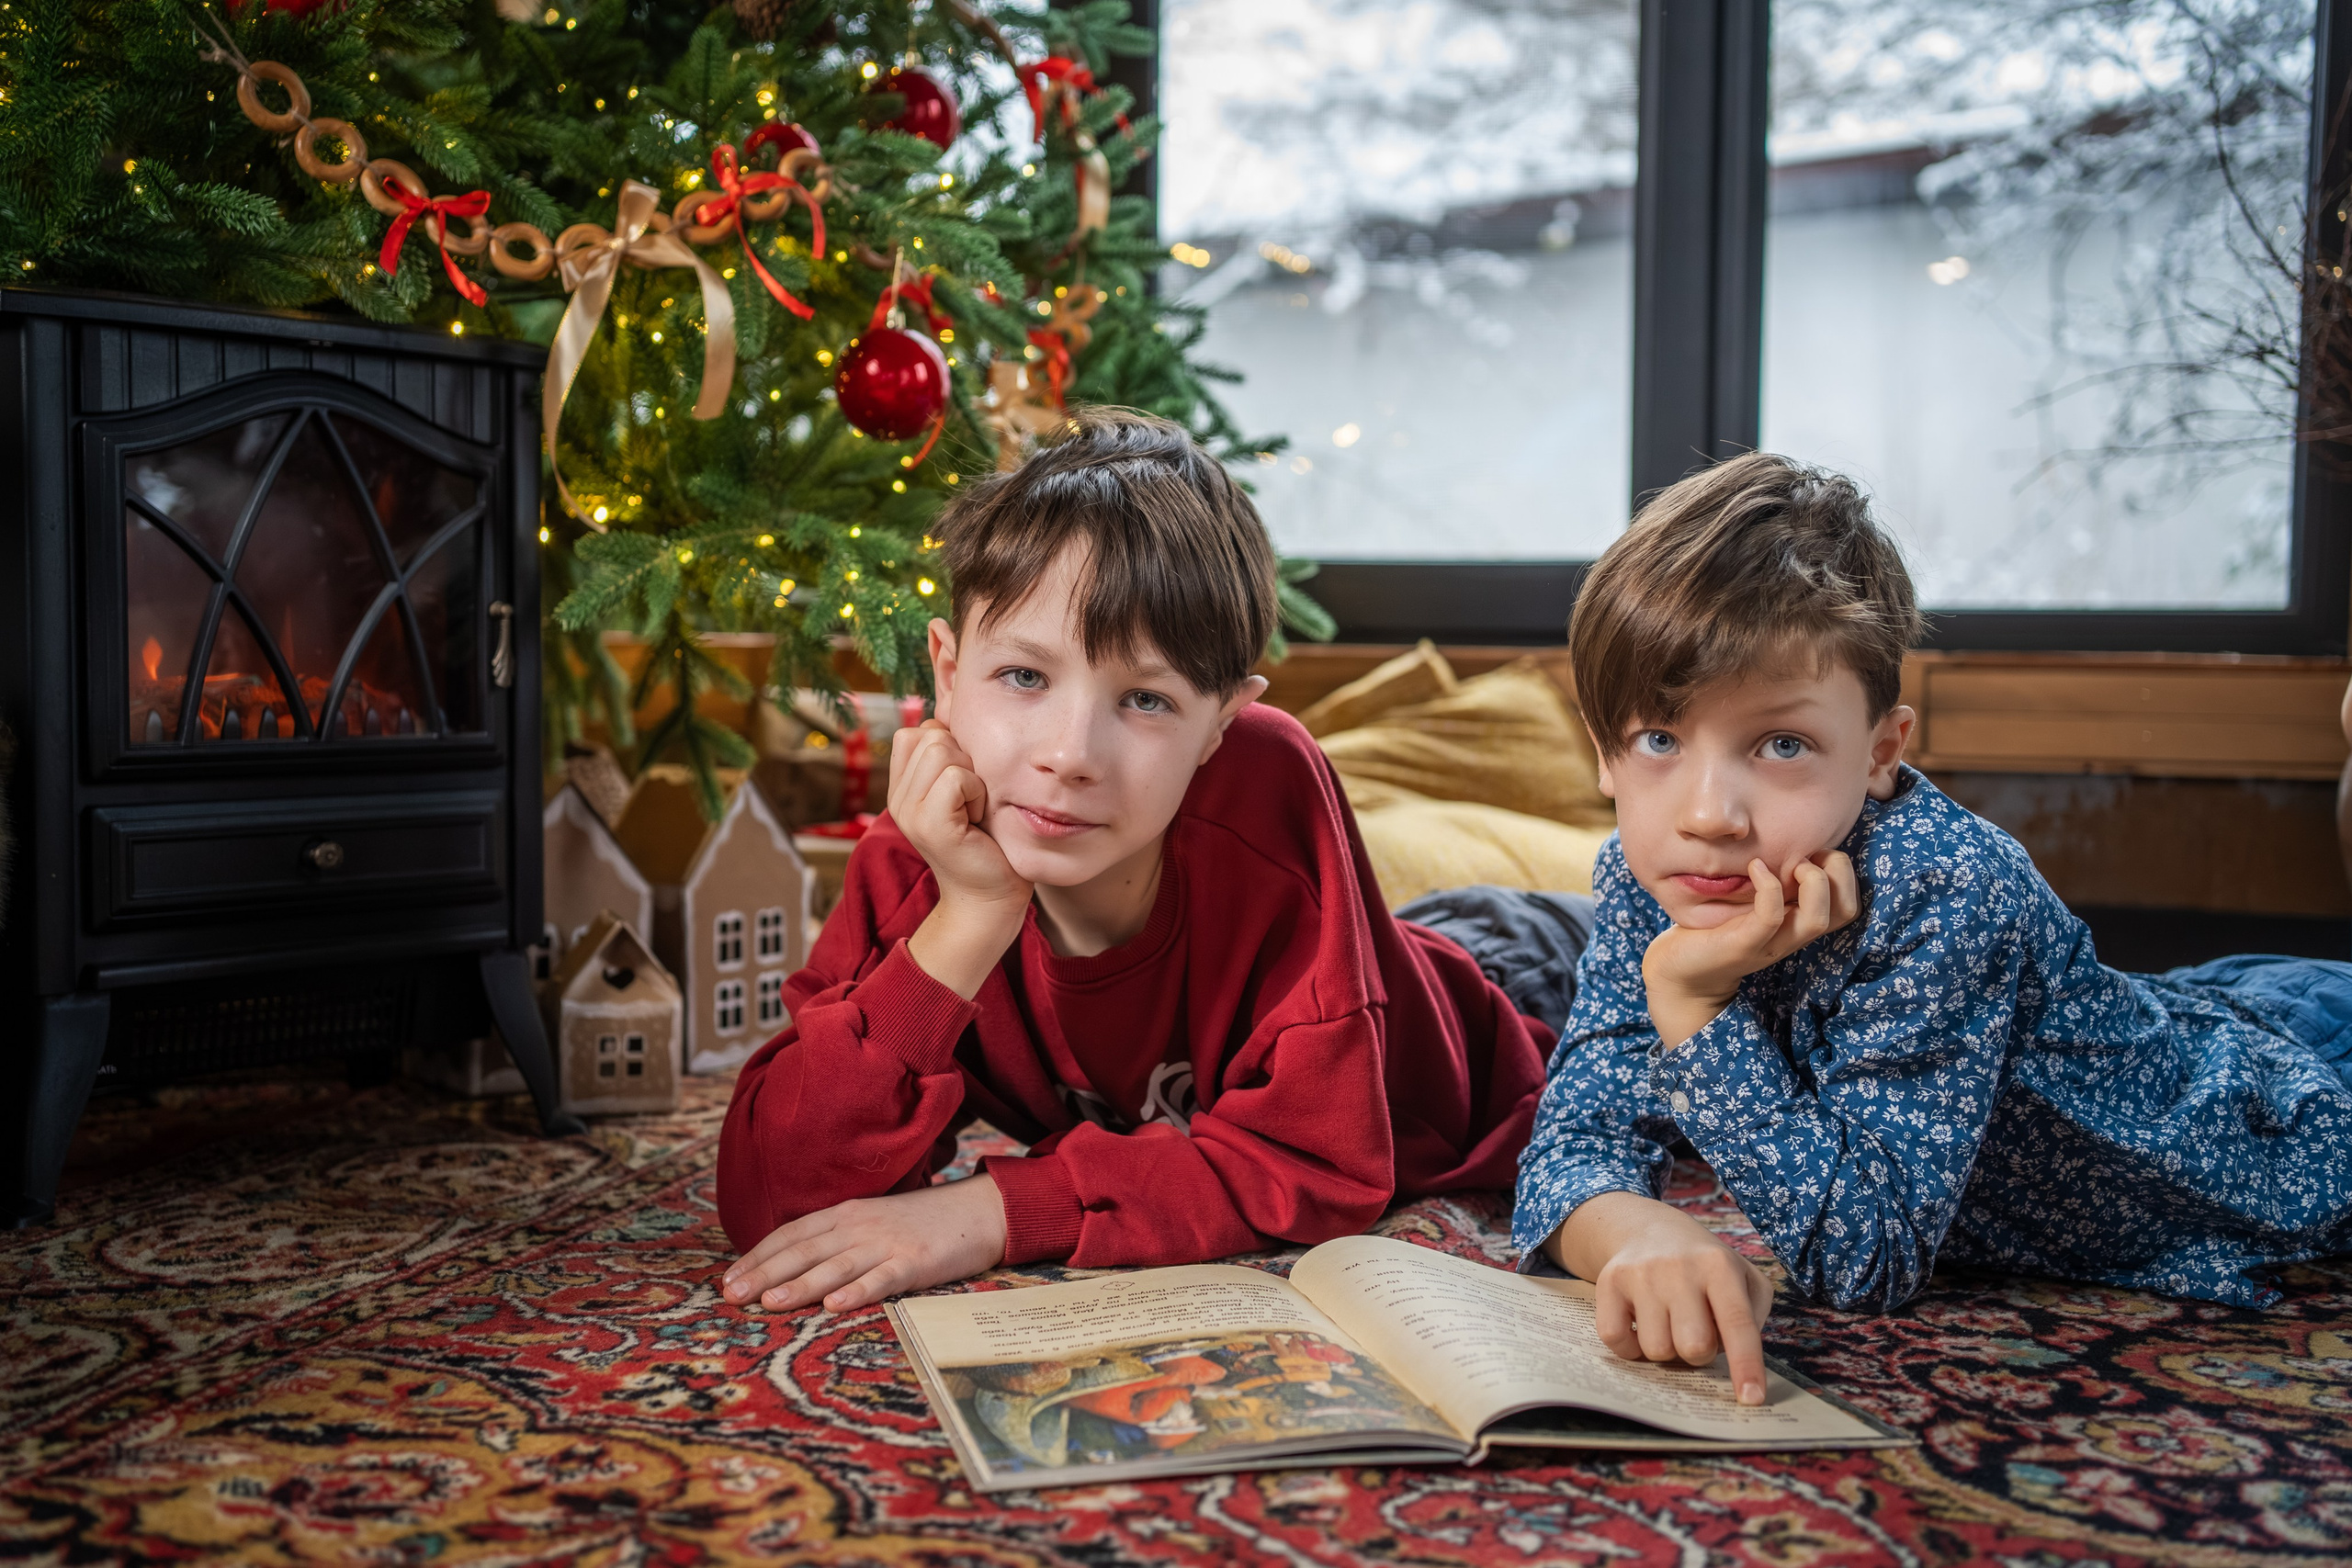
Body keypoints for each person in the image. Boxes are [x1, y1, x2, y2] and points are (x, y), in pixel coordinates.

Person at [1512, 451, 2352, 1408]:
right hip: (2202, 1003)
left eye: (1780, 744)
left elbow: (1861, 1258)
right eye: (1658, 740)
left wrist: (1693, 1003)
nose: (1708, 813)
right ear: (1605, 756)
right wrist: (1629, 1228)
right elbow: (1575, 1136)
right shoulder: (1650, 869)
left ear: (1880, 751)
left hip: (2277, 1116)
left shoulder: (1949, 887)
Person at [717, 409, 1568, 1314]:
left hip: (1520, 976)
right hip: (1387, 948)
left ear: (1220, 726)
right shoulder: (924, 853)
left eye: (1146, 700)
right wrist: (967, 918)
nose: (1069, 752)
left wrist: (990, 1211)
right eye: (1025, 678)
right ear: (945, 670)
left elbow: (1316, 1167)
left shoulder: (1267, 780)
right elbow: (775, 1192)